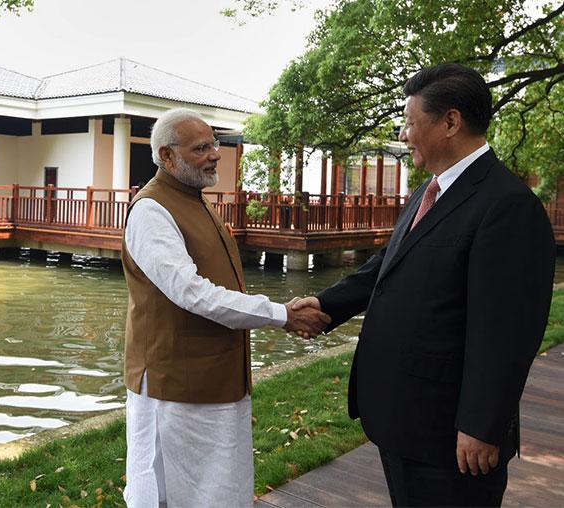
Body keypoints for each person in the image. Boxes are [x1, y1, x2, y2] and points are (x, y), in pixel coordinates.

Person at [292, 64, 555, 507]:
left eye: (410, 123)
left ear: (450, 122)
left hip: (451, 435)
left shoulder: (508, 206)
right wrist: (324, 304)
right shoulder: (428, 191)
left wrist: (481, 425)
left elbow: (507, 333)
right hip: (401, 419)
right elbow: (387, 267)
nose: (404, 134)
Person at [121, 108, 330, 507]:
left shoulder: (193, 199)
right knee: (180, 493)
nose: (215, 154)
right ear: (167, 156)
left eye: (214, 144)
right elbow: (191, 293)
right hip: (176, 384)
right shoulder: (152, 210)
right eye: (201, 148)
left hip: (214, 376)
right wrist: (281, 314)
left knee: (220, 487)